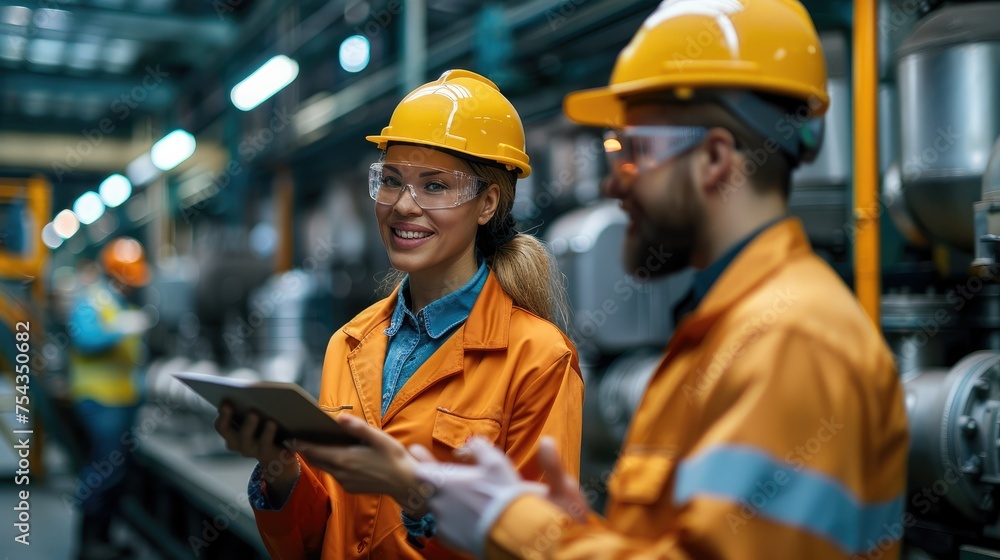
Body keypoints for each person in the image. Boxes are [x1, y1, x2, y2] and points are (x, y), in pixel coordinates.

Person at [411, 1, 910, 559]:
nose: (613, 186)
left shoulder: (791, 340)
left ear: (716, 158)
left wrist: (515, 526)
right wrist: (585, 534)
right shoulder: (725, 331)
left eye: (633, 152)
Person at [214, 69, 584, 559]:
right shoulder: (348, 344)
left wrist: (415, 496)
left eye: (434, 186)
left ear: (487, 203)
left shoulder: (537, 359)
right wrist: (280, 468)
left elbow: (538, 544)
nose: (403, 206)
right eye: (390, 181)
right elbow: (319, 539)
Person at [67, 237, 152, 560]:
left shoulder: (119, 305)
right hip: (100, 402)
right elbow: (85, 339)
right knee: (104, 470)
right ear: (116, 274)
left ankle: (103, 538)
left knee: (116, 472)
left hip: (121, 402)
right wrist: (121, 328)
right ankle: (88, 543)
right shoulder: (94, 302)